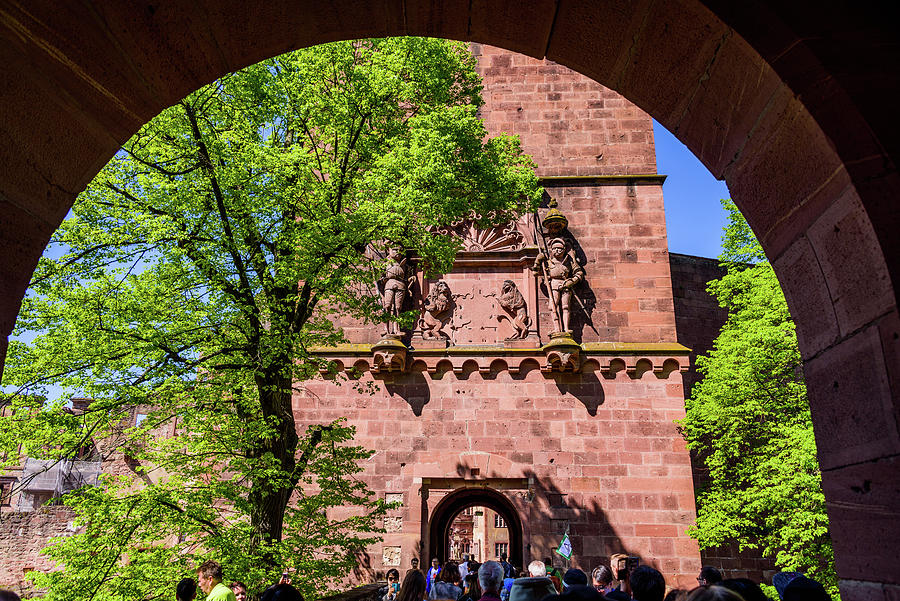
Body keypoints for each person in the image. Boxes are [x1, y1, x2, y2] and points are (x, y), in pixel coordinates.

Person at [532, 236, 585, 333]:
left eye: (560, 248)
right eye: (555, 248)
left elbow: (579, 273)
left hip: (566, 284)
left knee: (566, 306)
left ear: (564, 249)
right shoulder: (548, 262)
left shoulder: (569, 261)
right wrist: (537, 262)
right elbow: (536, 273)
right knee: (553, 306)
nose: (557, 250)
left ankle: (566, 328)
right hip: (554, 284)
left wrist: (571, 282)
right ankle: (556, 328)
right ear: (551, 250)